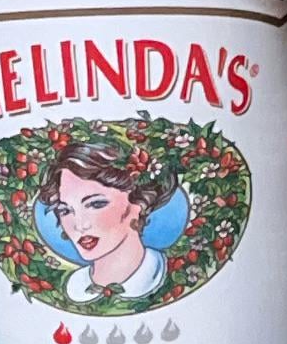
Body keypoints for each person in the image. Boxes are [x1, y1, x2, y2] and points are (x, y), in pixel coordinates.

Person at [40, 128, 184, 306]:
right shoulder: (74, 287)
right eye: (65, 211)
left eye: (96, 204)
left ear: (138, 204)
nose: (80, 225)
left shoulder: (172, 273)